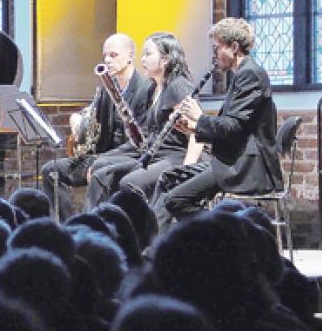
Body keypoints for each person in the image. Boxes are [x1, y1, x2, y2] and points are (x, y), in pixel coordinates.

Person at [153, 17, 282, 230]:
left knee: (177, 200)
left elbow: (233, 126)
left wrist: (199, 117)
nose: (214, 53)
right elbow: (233, 128)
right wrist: (194, 128)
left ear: (234, 47)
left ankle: (228, 234)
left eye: (218, 47)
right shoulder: (241, 75)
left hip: (244, 166)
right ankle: (156, 243)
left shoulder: (251, 75)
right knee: (169, 179)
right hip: (231, 159)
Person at [84, 32, 203, 208]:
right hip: (153, 153)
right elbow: (144, 134)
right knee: (101, 174)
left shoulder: (178, 86)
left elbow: (197, 131)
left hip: (175, 155)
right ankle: (97, 221)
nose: (142, 60)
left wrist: (187, 168)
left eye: (148, 54)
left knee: (129, 182)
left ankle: (137, 223)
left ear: (165, 59)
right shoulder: (151, 87)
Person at [39, 33, 149, 220]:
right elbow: (91, 114)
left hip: (130, 156)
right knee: (51, 170)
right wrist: (76, 119)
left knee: (99, 166)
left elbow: (141, 143)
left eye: (113, 55)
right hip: (103, 155)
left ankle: (89, 224)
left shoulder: (144, 89)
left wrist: (102, 159)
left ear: (130, 56)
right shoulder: (108, 87)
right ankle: (68, 225)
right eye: (105, 56)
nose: (107, 60)